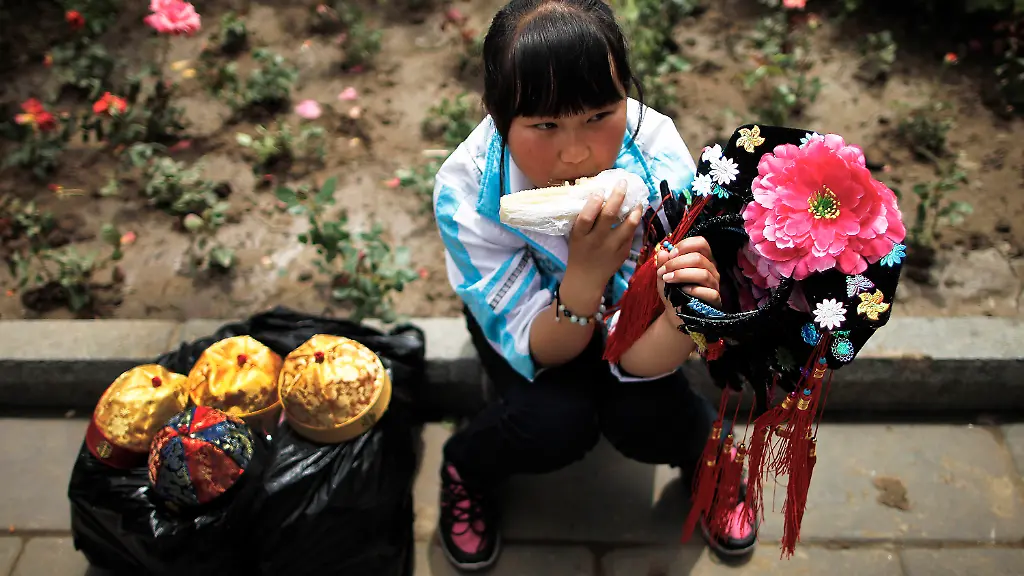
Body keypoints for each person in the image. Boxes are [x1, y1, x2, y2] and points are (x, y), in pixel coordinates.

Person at [431, 0, 756, 571]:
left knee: (646, 416)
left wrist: (683, 315)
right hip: (537, 329)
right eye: (545, 125)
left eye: (600, 115)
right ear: (498, 114)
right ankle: (465, 465)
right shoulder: (468, 193)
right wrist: (584, 275)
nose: (576, 152)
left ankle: (710, 455)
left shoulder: (658, 161)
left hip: (637, 326)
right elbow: (543, 347)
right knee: (555, 423)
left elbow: (640, 355)